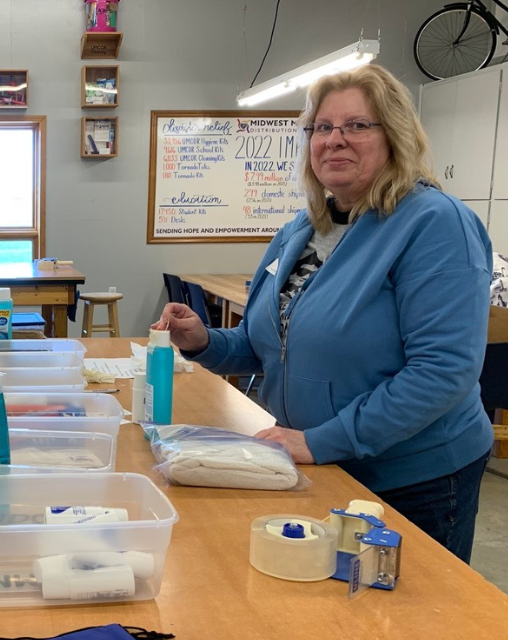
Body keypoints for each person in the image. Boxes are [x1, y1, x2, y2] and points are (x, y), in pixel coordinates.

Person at [155, 65, 493, 563]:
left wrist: (321, 441)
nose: (334, 140)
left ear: (395, 135)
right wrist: (203, 341)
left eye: (357, 125)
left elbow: (444, 371)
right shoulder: (304, 228)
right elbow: (264, 344)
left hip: (412, 477)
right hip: (324, 463)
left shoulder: (435, 223)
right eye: (321, 128)